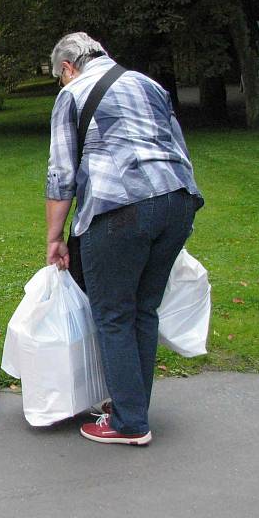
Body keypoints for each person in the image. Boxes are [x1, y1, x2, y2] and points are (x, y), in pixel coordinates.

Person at [45, 32, 203, 446]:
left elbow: (61, 174)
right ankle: (132, 407)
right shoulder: (148, 84)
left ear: (66, 67)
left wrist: (54, 237)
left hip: (120, 209)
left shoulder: (73, 93)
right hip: (179, 201)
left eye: (59, 77)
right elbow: (177, 146)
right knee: (143, 309)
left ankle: (130, 423)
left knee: (113, 314)